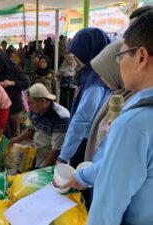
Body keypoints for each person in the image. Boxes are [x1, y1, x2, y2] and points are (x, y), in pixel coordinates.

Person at [87, 10, 153, 224]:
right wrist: (80, 178)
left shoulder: (133, 124)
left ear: (141, 57)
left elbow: (105, 212)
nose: (120, 63)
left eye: (122, 55)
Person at [56, 28, 111, 168]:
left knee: (79, 180)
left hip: (86, 141)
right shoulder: (95, 72)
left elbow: (81, 120)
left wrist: (63, 156)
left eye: (77, 53)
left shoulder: (96, 80)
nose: (75, 58)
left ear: (88, 50)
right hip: (88, 138)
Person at [10, 83, 70, 167]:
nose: (29, 107)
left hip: (50, 158)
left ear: (43, 101)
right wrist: (16, 139)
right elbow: (30, 130)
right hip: (37, 151)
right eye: (28, 103)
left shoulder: (61, 117)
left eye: (31, 103)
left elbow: (56, 150)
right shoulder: (35, 110)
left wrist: (44, 170)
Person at [0, 51, 30, 138]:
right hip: (0, 107)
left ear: (3, 63)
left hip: (14, 106)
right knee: (1, 132)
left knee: (15, 132)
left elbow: (26, 83)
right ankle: (4, 150)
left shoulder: (15, 69)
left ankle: (14, 149)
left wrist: (11, 83)